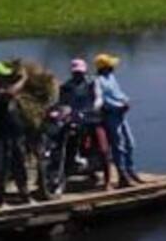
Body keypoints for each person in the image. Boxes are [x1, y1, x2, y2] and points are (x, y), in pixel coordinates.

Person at [58, 58, 111, 188]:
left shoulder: (92, 82)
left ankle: (107, 181)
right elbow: (63, 103)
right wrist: (64, 112)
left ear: (85, 71)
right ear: (72, 72)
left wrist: (93, 107)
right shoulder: (66, 86)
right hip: (76, 120)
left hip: (93, 118)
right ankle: (63, 173)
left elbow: (99, 98)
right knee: (68, 146)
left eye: (80, 72)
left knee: (103, 150)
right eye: (76, 73)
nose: (78, 75)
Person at [0, 61, 29, 203]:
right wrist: (23, 79)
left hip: (13, 132)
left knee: (19, 163)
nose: (4, 78)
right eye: (1, 76)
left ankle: (24, 194)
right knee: (0, 167)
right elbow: (10, 93)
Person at [94, 53, 142, 187]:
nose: (113, 67)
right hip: (111, 115)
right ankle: (123, 176)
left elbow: (118, 93)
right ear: (104, 67)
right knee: (118, 145)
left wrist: (126, 101)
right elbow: (101, 100)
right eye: (110, 65)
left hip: (121, 113)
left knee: (130, 143)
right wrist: (116, 107)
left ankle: (130, 170)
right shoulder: (98, 81)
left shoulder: (112, 77)